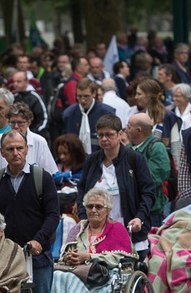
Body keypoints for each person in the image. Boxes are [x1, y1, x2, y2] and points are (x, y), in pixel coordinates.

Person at [0, 129, 60, 293]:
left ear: (27, 150)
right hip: (5, 257)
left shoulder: (42, 178)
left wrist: (38, 240)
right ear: (2, 152)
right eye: (10, 149)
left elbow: (53, 215)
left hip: (37, 256)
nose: (15, 153)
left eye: (19, 148)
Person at [77, 114, 155, 259]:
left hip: (130, 230)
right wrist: (83, 216)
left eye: (109, 134)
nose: (104, 139)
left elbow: (148, 193)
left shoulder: (134, 159)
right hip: (98, 234)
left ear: (120, 134)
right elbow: (82, 190)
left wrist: (140, 218)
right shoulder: (92, 160)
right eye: (100, 135)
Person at [0, 102, 58, 174]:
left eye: (20, 123)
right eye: (12, 122)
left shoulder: (39, 141)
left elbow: (50, 172)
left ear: (29, 122)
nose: (16, 126)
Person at [126, 113, 171, 227]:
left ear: (139, 130)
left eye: (129, 127)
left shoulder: (156, 148)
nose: (126, 130)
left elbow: (153, 178)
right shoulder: (128, 148)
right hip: (130, 209)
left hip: (151, 211)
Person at [62, 79, 117, 155]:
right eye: (79, 96)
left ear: (94, 93)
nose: (83, 100)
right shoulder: (69, 114)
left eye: (86, 96)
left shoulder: (106, 113)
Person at [135, 79, 183, 164]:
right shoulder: (138, 116)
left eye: (139, 94)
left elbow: (175, 146)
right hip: (142, 165)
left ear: (149, 96)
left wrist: (179, 172)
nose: (136, 97)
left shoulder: (169, 117)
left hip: (163, 166)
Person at [12, 71, 48, 139]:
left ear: (26, 82)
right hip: (17, 136)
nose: (15, 84)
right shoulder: (13, 98)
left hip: (35, 136)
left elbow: (44, 119)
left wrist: (33, 133)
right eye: (14, 82)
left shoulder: (35, 98)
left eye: (18, 81)